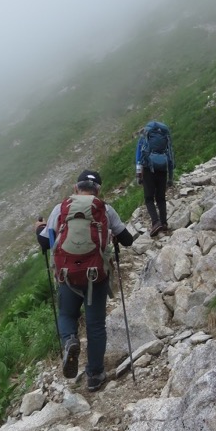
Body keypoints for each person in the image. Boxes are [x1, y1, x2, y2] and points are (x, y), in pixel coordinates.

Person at [38, 170, 134, 391]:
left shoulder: (59, 209)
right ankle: (95, 374)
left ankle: (70, 340)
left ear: (75, 188)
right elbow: (127, 240)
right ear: (98, 190)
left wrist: (40, 229)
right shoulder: (105, 209)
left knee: (66, 314)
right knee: (95, 325)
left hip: (67, 275)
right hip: (95, 276)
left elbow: (44, 244)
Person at [135, 120, 175, 236]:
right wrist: (170, 178)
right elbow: (170, 157)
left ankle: (155, 222)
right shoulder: (165, 138)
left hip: (148, 170)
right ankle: (164, 223)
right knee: (161, 198)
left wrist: (138, 175)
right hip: (163, 169)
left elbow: (138, 158)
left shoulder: (144, 138)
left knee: (148, 198)